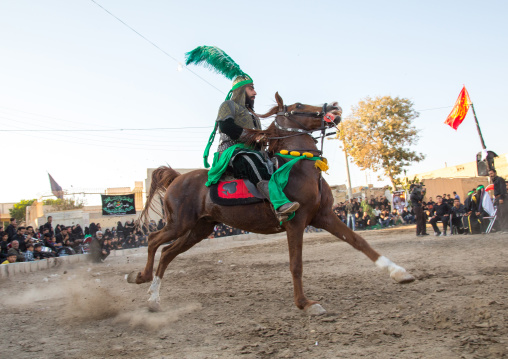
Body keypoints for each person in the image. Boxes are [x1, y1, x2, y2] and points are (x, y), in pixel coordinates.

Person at [210, 74, 299, 221]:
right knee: (251, 160)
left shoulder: (253, 114)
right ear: (240, 90)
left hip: (253, 151)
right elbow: (225, 126)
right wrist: (253, 137)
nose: (255, 93)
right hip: (231, 152)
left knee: (276, 161)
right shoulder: (228, 105)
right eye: (251, 89)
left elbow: (258, 138)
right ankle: (279, 206)